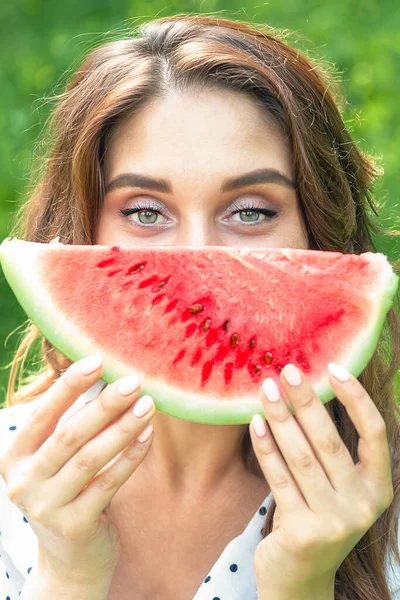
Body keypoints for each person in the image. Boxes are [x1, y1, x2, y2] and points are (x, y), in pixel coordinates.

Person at [0, 13, 399, 600]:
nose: (199, 260)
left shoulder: (379, 513)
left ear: (321, 234)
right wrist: (69, 575)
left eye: (251, 211)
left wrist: (303, 585)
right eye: (144, 211)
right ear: (82, 228)